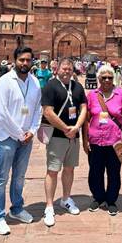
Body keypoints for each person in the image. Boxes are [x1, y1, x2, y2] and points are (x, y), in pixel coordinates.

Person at [0, 47, 42, 235]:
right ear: (14, 61)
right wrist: (20, 134)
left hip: (26, 138)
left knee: (19, 177)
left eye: (28, 60)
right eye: (21, 60)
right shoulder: (4, 82)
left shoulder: (35, 82)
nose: (25, 63)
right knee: (1, 178)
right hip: (6, 137)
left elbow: (38, 109)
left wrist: (33, 131)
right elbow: (1, 113)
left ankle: (17, 208)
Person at [42, 58, 87, 227]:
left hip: (73, 136)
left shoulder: (77, 86)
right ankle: (49, 206)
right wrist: (66, 129)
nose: (67, 71)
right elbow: (47, 112)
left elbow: (84, 108)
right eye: (64, 69)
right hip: (57, 136)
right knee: (52, 170)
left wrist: (76, 127)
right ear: (57, 69)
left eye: (69, 69)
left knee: (69, 169)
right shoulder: (50, 86)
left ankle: (66, 199)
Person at [83, 65, 122, 216]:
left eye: (109, 77)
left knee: (114, 172)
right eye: (103, 77)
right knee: (95, 171)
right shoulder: (92, 95)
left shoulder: (121, 94)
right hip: (96, 140)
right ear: (98, 79)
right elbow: (86, 119)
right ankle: (98, 197)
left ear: (113, 78)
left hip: (115, 141)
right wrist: (85, 141)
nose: (106, 80)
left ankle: (111, 200)